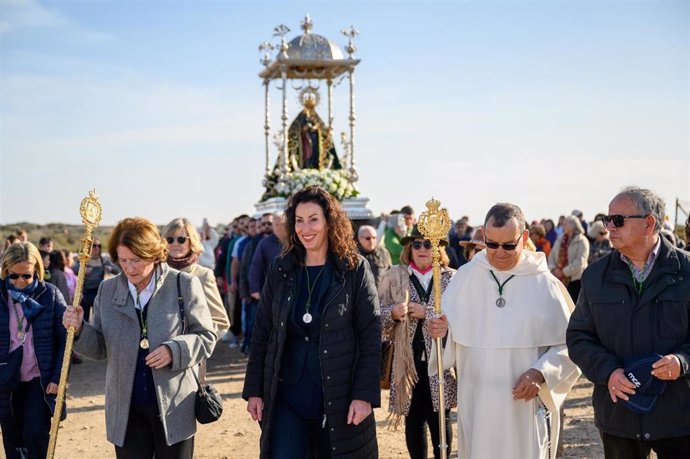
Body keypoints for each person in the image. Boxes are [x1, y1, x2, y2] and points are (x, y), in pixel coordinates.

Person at [428, 202, 580, 459]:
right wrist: (442, 332)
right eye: (491, 244)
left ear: (524, 238)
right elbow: (447, 345)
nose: (499, 252)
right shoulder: (465, 278)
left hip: (524, 406)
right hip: (477, 401)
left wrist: (541, 373)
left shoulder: (545, 284)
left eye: (509, 245)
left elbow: (573, 344)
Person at [242, 186, 381, 458]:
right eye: (299, 220)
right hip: (286, 396)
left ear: (330, 222)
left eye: (314, 219)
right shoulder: (281, 269)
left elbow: (370, 335)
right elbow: (263, 332)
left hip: (338, 395)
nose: (306, 228)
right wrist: (254, 389)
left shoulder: (354, 269)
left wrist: (364, 395)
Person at [62, 217, 216, 458]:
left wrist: (174, 350)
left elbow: (207, 336)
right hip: (126, 410)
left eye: (137, 260)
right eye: (123, 260)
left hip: (174, 405)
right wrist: (80, 329)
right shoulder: (108, 290)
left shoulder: (183, 284)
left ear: (155, 254)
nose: (130, 268)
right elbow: (100, 348)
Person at [566, 187, 690, 458]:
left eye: (618, 220)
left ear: (649, 223)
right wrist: (608, 372)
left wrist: (682, 361)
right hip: (619, 414)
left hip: (680, 414)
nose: (609, 227)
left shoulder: (687, 271)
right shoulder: (595, 276)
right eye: (606, 219)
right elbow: (579, 337)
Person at [379, 225, 456, 459]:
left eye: (428, 244)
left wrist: (428, 312)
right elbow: (375, 314)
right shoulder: (394, 275)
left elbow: (461, 318)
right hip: (406, 361)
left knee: (440, 415)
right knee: (413, 418)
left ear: (438, 248)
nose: (422, 249)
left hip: (441, 360)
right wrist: (392, 313)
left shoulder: (451, 277)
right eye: (417, 244)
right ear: (409, 248)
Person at [1, 242, 67, 459]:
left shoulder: (51, 294)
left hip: (40, 380)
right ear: (5, 271)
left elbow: (64, 341)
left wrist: (58, 377)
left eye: (26, 276)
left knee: (36, 433)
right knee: (13, 438)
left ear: (37, 270)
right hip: (6, 381)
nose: (20, 282)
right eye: (14, 276)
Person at [162, 218, 229, 338]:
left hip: (188, 353)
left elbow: (220, 322)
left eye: (181, 239)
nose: (175, 244)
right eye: (170, 239)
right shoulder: (154, 272)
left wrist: (194, 345)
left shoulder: (203, 275)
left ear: (191, 241)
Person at [74, 237, 121, 321]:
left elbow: (118, 270)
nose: (96, 248)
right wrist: (83, 270)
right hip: (85, 293)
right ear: (89, 247)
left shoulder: (103, 260)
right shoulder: (84, 259)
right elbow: (73, 270)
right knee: (83, 319)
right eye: (94, 245)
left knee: (97, 320)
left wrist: (110, 269)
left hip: (98, 293)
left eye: (99, 246)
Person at [548, 215, 590, 301]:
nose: (563, 225)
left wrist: (564, 272)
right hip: (559, 280)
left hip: (576, 281)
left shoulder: (582, 240)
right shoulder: (560, 239)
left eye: (566, 223)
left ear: (573, 225)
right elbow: (551, 256)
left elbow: (581, 261)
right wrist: (554, 269)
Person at [357, 225, 392, 289]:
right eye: (368, 238)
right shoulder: (354, 256)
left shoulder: (384, 253)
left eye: (374, 238)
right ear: (360, 239)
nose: (371, 241)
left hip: (381, 296)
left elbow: (391, 275)